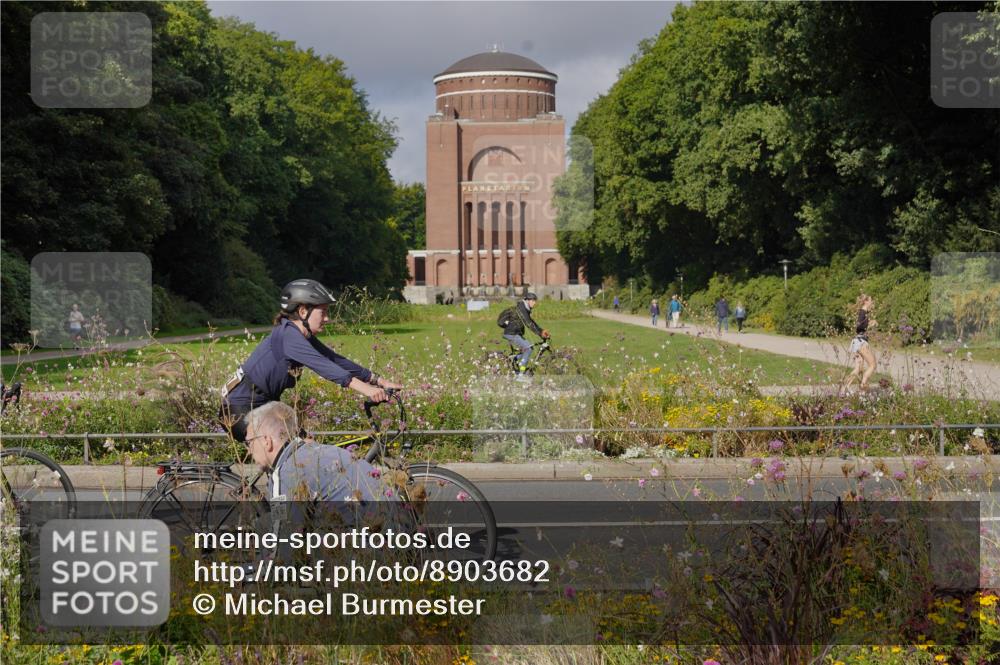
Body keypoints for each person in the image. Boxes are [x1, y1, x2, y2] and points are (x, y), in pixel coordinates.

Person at [219, 279, 402, 442]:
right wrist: (368, 390)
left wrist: (378, 380)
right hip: (241, 411)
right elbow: (324, 366)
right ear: (303, 311)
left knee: (306, 448)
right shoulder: (289, 336)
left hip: (263, 405)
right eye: (323, 312)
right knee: (298, 452)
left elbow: (334, 359)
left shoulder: (298, 335)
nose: (327, 318)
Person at [499, 292, 550, 378]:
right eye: (533, 301)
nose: (535, 303)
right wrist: (540, 333)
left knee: (529, 348)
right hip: (512, 333)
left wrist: (541, 330)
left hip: (515, 333)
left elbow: (531, 322)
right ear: (527, 300)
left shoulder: (525, 309)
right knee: (528, 349)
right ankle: (521, 375)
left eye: (535, 301)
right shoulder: (522, 308)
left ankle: (513, 359)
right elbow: (528, 323)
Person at [843, 294, 877, 393]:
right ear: (866, 301)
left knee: (858, 368)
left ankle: (844, 388)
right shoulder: (863, 312)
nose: (872, 302)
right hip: (861, 342)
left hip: (857, 342)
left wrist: (869, 323)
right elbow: (858, 327)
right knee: (872, 365)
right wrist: (869, 324)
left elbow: (861, 326)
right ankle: (863, 387)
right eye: (871, 300)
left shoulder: (864, 313)